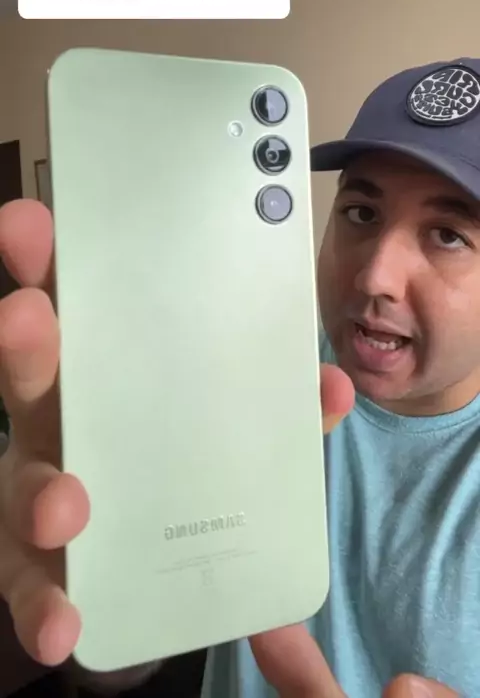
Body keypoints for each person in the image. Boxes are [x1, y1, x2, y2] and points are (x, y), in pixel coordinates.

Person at [0, 57, 474, 698]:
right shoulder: (255, 370)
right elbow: (119, 667)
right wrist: (87, 582)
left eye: (448, 234)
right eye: (362, 213)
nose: (374, 276)